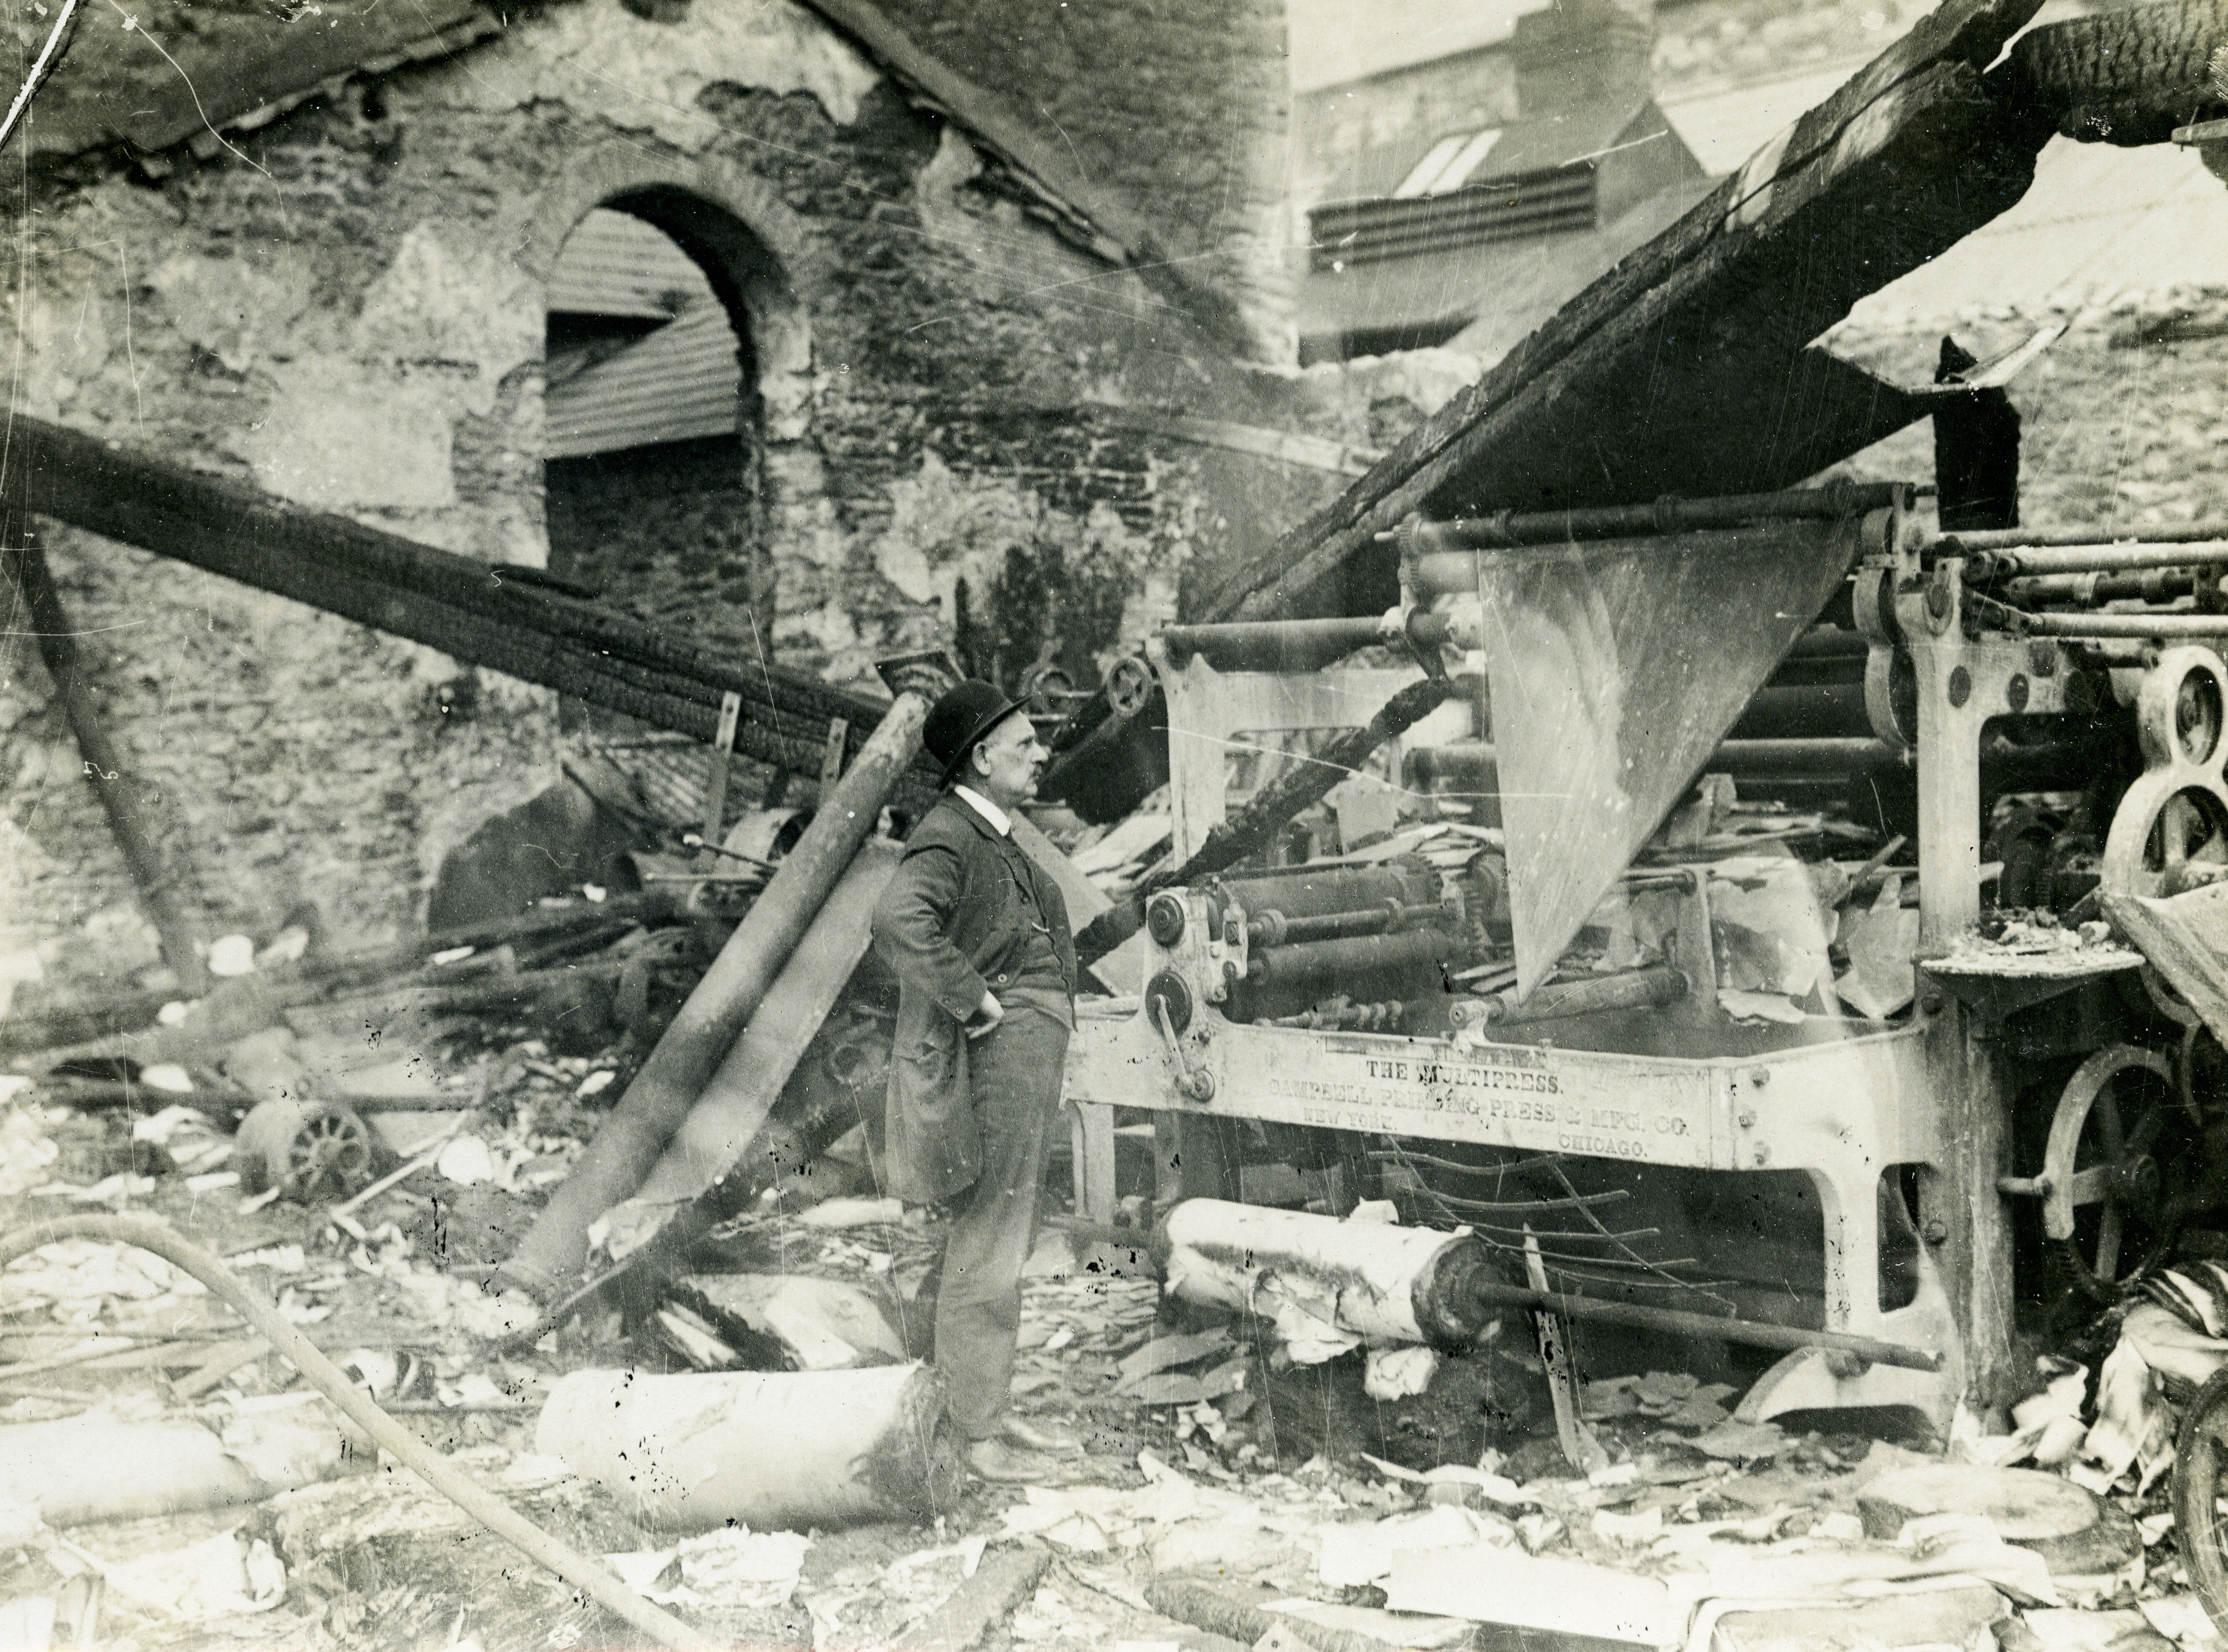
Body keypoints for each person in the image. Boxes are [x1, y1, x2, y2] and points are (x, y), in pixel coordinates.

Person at [871, 679, 1084, 1482]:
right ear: (984, 757)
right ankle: (978, 1433)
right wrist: (977, 999)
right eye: (1024, 744)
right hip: (998, 1062)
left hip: (1022, 1060)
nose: (1040, 754)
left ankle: (976, 1406)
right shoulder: (950, 835)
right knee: (990, 1236)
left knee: (1000, 1231)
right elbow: (896, 919)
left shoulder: (987, 833)